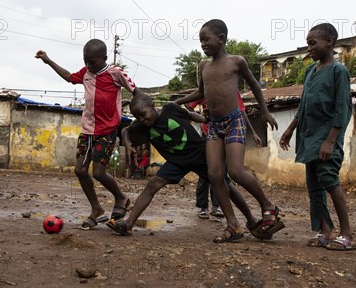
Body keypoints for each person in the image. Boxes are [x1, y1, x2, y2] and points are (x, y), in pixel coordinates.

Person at [175, 19, 283, 242]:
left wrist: (264, 112)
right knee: (215, 175)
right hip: (214, 124)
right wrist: (177, 102)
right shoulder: (203, 66)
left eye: (206, 40)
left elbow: (254, 85)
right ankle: (233, 225)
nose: (202, 44)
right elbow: (199, 93)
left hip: (234, 120)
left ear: (221, 39)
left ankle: (267, 204)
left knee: (235, 170)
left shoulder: (236, 62)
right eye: (200, 41)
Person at [107, 94, 267, 242]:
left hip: (200, 154)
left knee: (226, 187)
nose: (141, 119)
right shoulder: (141, 126)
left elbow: (190, 115)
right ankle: (128, 224)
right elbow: (126, 130)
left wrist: (205, 120)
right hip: (177, 161)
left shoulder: (170, 109)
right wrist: (127, 143)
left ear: (153, 105)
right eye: (137, 117)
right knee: (152, 184)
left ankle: (251, 221)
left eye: (143, 114)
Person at [35, 39, 139, 230]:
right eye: (85, 61)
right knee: (80, 170)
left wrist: (137, 122)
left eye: (92, 61)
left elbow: (137, 93)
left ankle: (121, 198)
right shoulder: (85, 73)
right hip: (87, 131)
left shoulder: (115, 73)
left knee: (99, 172)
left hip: (106, 131)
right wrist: (48, 60)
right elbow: (68, 76)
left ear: (104, 58)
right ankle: (96, 209)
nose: (88, 65)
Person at [279, 23, 356, 251]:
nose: (309, 48)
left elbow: (342, 108)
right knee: (314, 186)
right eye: (307, 44)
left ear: (329, 42)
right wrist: (290, 128)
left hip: (326, 137)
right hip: (308, 136)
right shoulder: (310, 72)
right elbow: (304, 105)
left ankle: (347, 234)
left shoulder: (338, 71)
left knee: (329, 179)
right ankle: (325, 230)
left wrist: (331, 140)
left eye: (313, 43)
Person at [187, 95, 262, 220]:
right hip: (210, 133)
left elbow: (241, 111)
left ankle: (216, 206)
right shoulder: (207, 90)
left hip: (228, 134)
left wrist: (253, 132)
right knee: (208, 172)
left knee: (223, 173)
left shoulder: (232, 90)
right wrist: (202, 119)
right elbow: (189, 105)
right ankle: (203, 207)